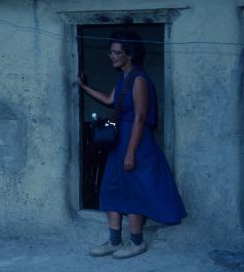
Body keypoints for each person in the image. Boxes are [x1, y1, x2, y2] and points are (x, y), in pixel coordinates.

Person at [78, 30, 186, 259]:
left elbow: (140, 117)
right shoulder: (125, 78)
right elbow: (109, 100)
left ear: (130, 54)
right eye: (111, 52)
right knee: (111, 188)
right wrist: (84, 87)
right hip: (121, 142)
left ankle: (137, 242)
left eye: (117, 52)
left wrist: (130, 153)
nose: (112, 56)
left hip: (136, 143)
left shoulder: (138, 79)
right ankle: (114, 241)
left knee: (134, 189)